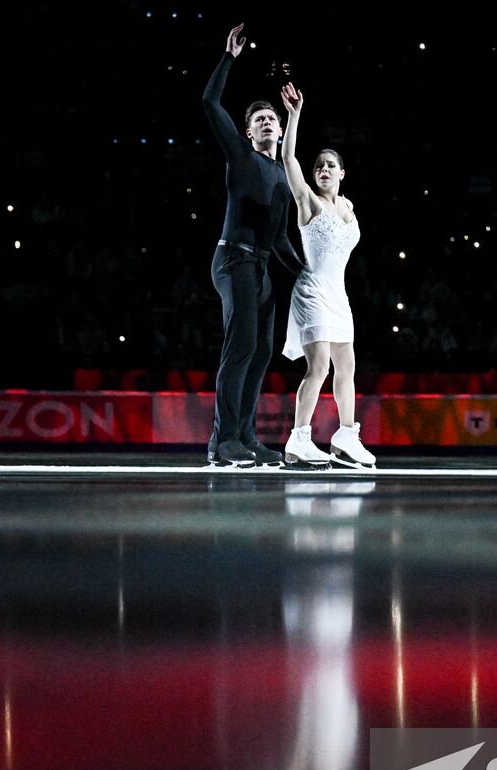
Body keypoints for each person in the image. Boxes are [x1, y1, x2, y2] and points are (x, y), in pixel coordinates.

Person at [201, 23, 305, 468]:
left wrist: (305, 269)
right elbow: (209, 102)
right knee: (241, 345)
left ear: (280, 133)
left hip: (260, 268)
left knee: (261, 351)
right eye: (259, 119)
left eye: (272, 119)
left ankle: (245, 436)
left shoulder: (282, 176)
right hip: (233, 260)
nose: (267, 122)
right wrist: (229, 57)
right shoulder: (240, 157)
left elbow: (280, 237)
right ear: (248, 132)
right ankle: (222, 441)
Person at [276, 82, 376, 469]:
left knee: (346, 366)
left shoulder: (348, 207)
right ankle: (299, 439)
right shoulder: (308, 202)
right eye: (318, 165)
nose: (322, 170)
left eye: (329, 165)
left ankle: (345, 436)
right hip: (311, 290)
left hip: (339, 294)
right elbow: (288, 159)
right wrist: (295, 114)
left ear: (342, 173)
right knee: (318, 365)